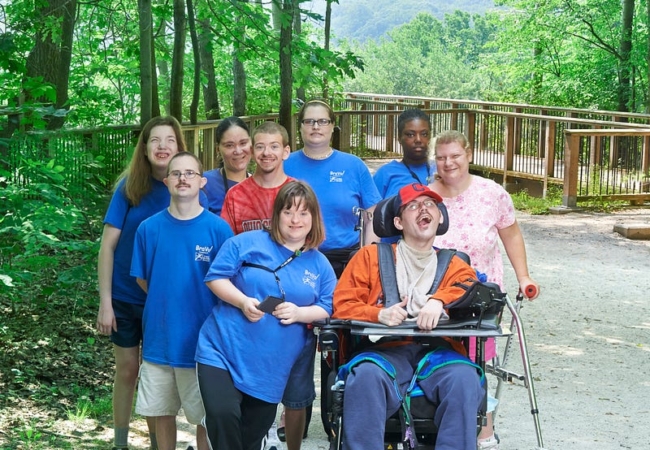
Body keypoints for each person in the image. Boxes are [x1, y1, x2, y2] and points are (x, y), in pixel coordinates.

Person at [332, 183, 486, 450]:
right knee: (366, 376)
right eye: (413, 206)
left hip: (439, 352)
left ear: (439, 218)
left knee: (464, 378)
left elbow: (470, 289)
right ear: (398, 222)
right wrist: (378, 314)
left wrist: (439, 301)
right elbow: (342, 304)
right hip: (384, 350)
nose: (423, 209)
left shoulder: (455, 264)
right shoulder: (368, 258)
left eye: (430, 205)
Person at [195, 181, 336, 450]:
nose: (295, 220)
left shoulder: (320, 264)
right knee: (223, 416)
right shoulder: (245, 243)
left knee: (250, 437)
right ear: (276, 215)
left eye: (304, 213)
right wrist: (242, 301)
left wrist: (299, 312)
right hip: (222, 351)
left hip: (270, 370)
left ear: (314, 218)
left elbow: (327, 307)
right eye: (288, 211)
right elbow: (215, 278)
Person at [429, 130, 540, 450]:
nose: (448, 163)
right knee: (436, 355)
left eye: (455, 156)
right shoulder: (426, 196)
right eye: (441, 157)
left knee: (476, 359)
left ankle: (483, 428)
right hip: (435, 295)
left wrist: (524, 277)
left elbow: (512, 236)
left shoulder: (492, 193)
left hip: (482, 296)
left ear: (469, 155)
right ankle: (438, 422)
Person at [283, 99, 382, 445]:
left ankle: (336, 418)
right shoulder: (288, 163)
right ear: (300, 127)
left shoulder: (352, 166)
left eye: (322, 121)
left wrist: (367, 257)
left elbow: (371, 213)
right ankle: (293, 413)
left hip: (343, 260)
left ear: (332, 126)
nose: (315, 127)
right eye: (309, 121)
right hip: (297, 258)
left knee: (339, 338)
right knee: (296, 335)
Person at [130, 152, 233, 450]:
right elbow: (143, 279)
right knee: (160, 412)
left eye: (190, 173)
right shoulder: (148, 229)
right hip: (159, 339)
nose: (183, 178)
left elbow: (226, 282)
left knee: (204, 417)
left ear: (202, 182)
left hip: (203, 342)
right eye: (176, 173)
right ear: (166, 181)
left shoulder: (218, 229)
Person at [96, 115, 186, 450]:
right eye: (155, 140)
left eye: (169, 140)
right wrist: (105, 301)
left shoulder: (183, 186)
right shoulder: (129, 187)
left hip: (162, 300)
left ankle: (157, 443)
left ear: (179, 147)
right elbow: (107, 246)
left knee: (157, 375)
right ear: (145, 148)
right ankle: (120, 442)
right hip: (123, 296)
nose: (162, 147)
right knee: (128, 370)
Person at [221, 121, 293, 234]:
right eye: (260, 147)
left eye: (274, 146)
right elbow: (227, 243)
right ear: (252, 152)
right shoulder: (235, 195)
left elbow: (309, 244)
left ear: (286, 152)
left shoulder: (298, 193)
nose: (266, 153)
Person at [203, 117, 252, 215]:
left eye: (243, 143)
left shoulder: (262, 184)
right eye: (229, 145)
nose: (238, 151)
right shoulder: (203, 183)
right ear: (218, 150)